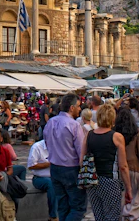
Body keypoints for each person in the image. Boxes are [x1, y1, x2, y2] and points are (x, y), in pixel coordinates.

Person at [81, 104, 132, 221]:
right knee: (112, 216)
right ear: (113, 118)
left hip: (92, 180)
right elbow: (123, 166)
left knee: (99, 216)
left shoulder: (89, 135)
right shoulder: (117, 137)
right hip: (110, 180)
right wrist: (128, 188)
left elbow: (81, 161)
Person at [43, 93, 86, 221]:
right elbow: (81, 151)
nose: (80, 109)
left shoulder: (51, 122)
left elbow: (46, 143)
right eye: (78, 106)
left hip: (55, 168)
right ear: (71, 108)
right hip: (71, 169)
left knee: (62, 206)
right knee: (78, 207)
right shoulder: (74, 125)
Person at [114, 108, 139, 220]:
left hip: (118, 168)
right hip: (135, 168)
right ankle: (130, 216)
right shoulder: (136, 132)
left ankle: (123, 214)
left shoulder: (114, 132)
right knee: (135, 197)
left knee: (121, 195)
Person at [27, 139, 58, 221]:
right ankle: (53, 216)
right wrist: (49, 164)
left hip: (56, 176)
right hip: (39, 178)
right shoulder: (37, 147)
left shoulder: (59, 145)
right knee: (51, 184)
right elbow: (31, 166)